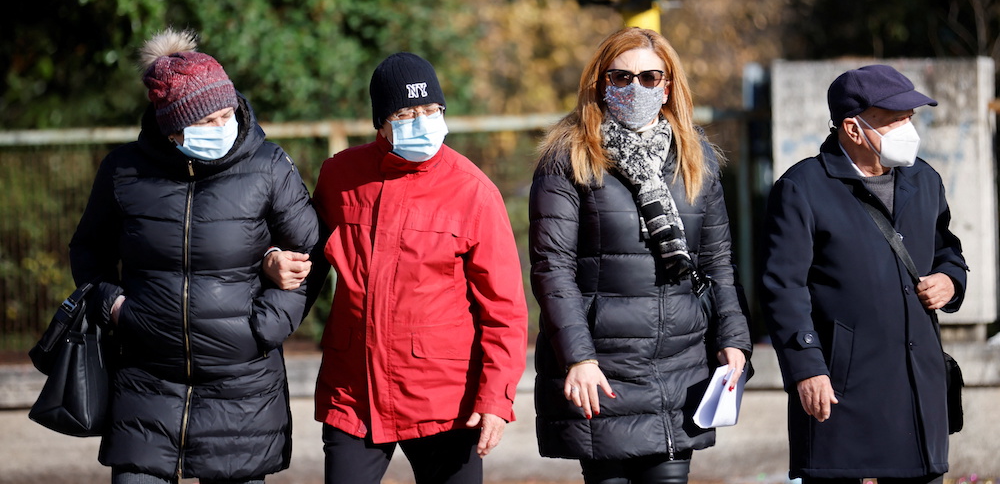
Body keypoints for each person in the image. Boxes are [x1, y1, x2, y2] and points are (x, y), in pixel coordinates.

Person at [69, 28, 320, 484]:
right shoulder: (123, 171)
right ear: (171, 129)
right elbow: (89, 248)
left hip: (242, 386)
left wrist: (265, 326)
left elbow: (311, 251)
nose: (223, 127)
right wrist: (114, 305)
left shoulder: (269, 166)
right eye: (207, 121)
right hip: (146, 380)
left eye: (227, 114)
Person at [266, 52, 528, 484]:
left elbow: (505, 310)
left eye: (431, 110)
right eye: (407, 113)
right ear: (380, 123)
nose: (422, 122)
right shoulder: (340, 175)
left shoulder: (474, 191)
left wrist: (496, 398)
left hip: (446, 402)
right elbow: (304, 255)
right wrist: (273, 261)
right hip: (354, 395)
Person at [528, 27, 752, 484]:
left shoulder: (695, 155)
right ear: (600, 83)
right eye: (621, 77)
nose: (637, 88)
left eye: (651, 78)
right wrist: (578, 358)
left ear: (668, 86)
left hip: (679, 368)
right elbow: (553, 269)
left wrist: (735, 337)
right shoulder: (569, 156)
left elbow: (717, 262)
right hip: (604, 370)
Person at [759, 63, 969, 484]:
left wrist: (950, 280)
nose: (907, 129)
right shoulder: (802, 188)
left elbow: (949, 251)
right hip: (842, 388)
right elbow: (784, 287)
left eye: (910, 118)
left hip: (916, 387)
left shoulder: (924, 179)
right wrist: (807, 367)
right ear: (853, 130)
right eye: (893, 121)